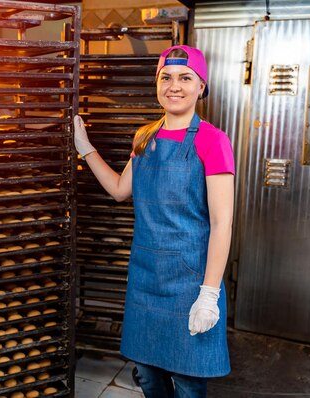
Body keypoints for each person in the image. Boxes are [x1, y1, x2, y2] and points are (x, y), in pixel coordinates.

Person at [74, 45, 234, 397]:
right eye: (166, 77)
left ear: (201, 86)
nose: (174, 86)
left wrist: (209, 294)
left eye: (185, 78)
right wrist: (85, 147)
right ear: (156, 83)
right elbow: (119, 190)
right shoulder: (145, 136)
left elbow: (222, 224)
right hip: (147, 276)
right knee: (148, 376)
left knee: (189, 381)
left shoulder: (213, 141)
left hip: (191, 281)